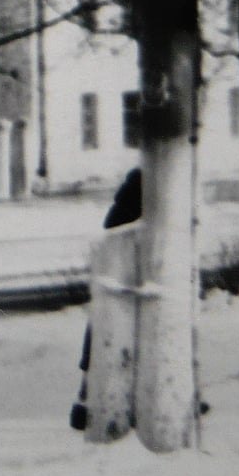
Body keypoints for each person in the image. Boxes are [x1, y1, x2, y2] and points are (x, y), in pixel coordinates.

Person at [71, 167, 143, 430]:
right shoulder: (136, 216)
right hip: (124, 288)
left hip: (111, 287)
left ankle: (85, 400)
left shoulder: (119, 211)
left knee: (99, 341)